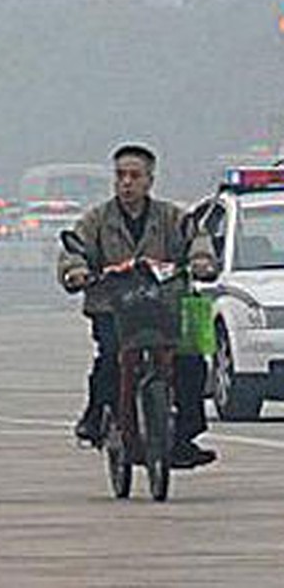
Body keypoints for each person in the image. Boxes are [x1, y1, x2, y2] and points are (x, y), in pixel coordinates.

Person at [58, 143, 218, 469]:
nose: (127, 183)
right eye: (120, 176)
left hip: (163, 307)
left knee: (190, 364)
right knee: (110, 361)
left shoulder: (171, 216)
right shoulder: (97, 220)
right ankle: (96, 417)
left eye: (134, 176)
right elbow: (74, 251)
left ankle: (184, 436)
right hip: (113, 309)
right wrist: (75, 271)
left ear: (149, 180)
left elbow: (196, 239)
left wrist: (201, 261)